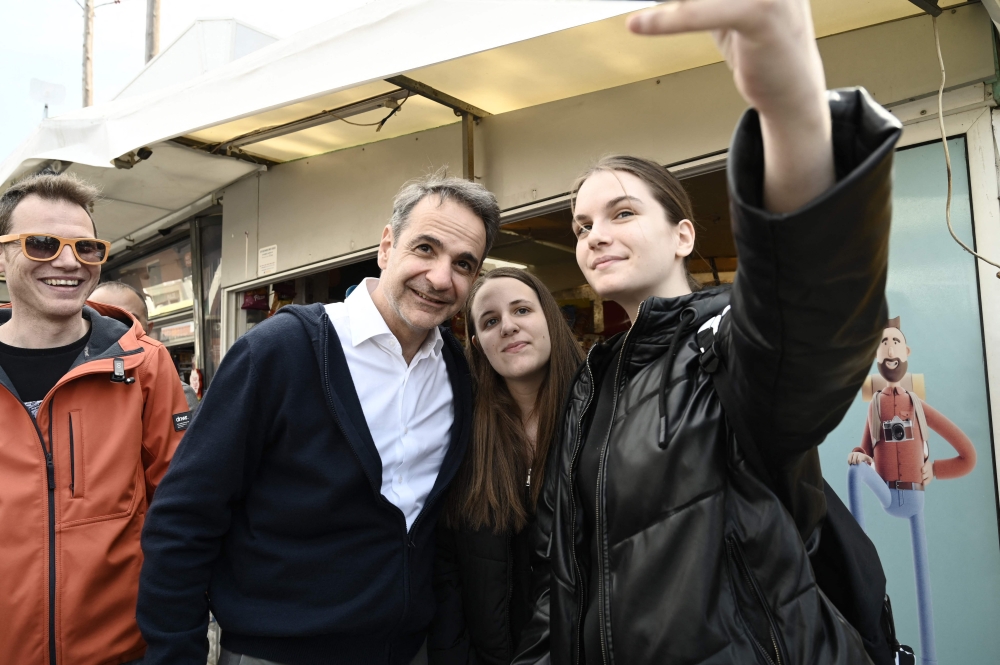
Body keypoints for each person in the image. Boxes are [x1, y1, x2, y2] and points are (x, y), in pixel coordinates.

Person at [512, 1, 904, 664]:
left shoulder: (722, 344)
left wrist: (792, 113)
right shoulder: (590, 386)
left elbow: (812, 316)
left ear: (683, 236)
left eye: (621, 212)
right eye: (582, 225)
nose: (594, 235)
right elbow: (562, 582)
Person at [137, 173, 501, 665]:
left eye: (463, 264)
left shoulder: (458, 372)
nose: (440, 278)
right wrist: (175, 654)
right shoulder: (280, 351)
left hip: (407, 650)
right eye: (425, 249)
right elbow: (184, 519)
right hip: (277, 652)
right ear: (386, 247)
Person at [0, 173, 190, 665]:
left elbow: (179, 514)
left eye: (86, 247)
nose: (69, 262)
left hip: (122, 652)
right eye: (42, 244)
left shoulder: (146, 365)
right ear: (2, 257)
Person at [429, 268, 583, 665]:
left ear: (550, 318)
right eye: (490, 321)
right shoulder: (462, 433)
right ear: (477, 345)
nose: (508, 327)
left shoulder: (600, 417)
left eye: (522, 310)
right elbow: (445, 565)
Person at [848, 316, 976, 665]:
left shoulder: (917, 405)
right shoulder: (875, 406)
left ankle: (926, 658)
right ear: (876, 355)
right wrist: (860, 456)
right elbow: (864, 448)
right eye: (883, 342)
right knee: (855, 477)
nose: (890, 348)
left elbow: (967, 456)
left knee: (924, 591)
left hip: (915, 495)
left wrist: (934, 469)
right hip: (885, 491)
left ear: (907, 351)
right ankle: (860, 592)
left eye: (895, 341)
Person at [90, 280, 200, 410]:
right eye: (99, 319)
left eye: (126, 321)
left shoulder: (175, 395)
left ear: (148, 329)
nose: (113, 329)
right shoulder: (69, 384)